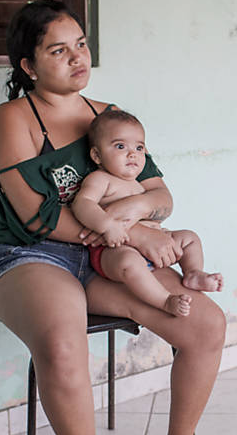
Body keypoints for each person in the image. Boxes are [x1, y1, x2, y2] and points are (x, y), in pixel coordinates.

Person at [0, 0, 227, 435]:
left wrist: (132, 222)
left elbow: (163, 197)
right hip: (30, 255)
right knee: (63, 345)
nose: (75, 58)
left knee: (206, 323)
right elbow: (36, 218)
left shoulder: (108, 115)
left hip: (105, 256)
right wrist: (132, 233)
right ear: (27, 65)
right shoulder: (12, 120)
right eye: (57, 50)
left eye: (81, 45)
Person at [71, 109, 223, 318]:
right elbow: (82, 203)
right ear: (97, 155)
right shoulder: (100, 179)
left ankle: (193, 274)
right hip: (115, 248)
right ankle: (164, 301)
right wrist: (107, 225)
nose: (132, 153)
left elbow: (161, 205)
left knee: (190, 238)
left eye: (139, 147)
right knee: (129, 263)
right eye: (120, 146)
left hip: (155, 241)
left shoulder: (138, 183)